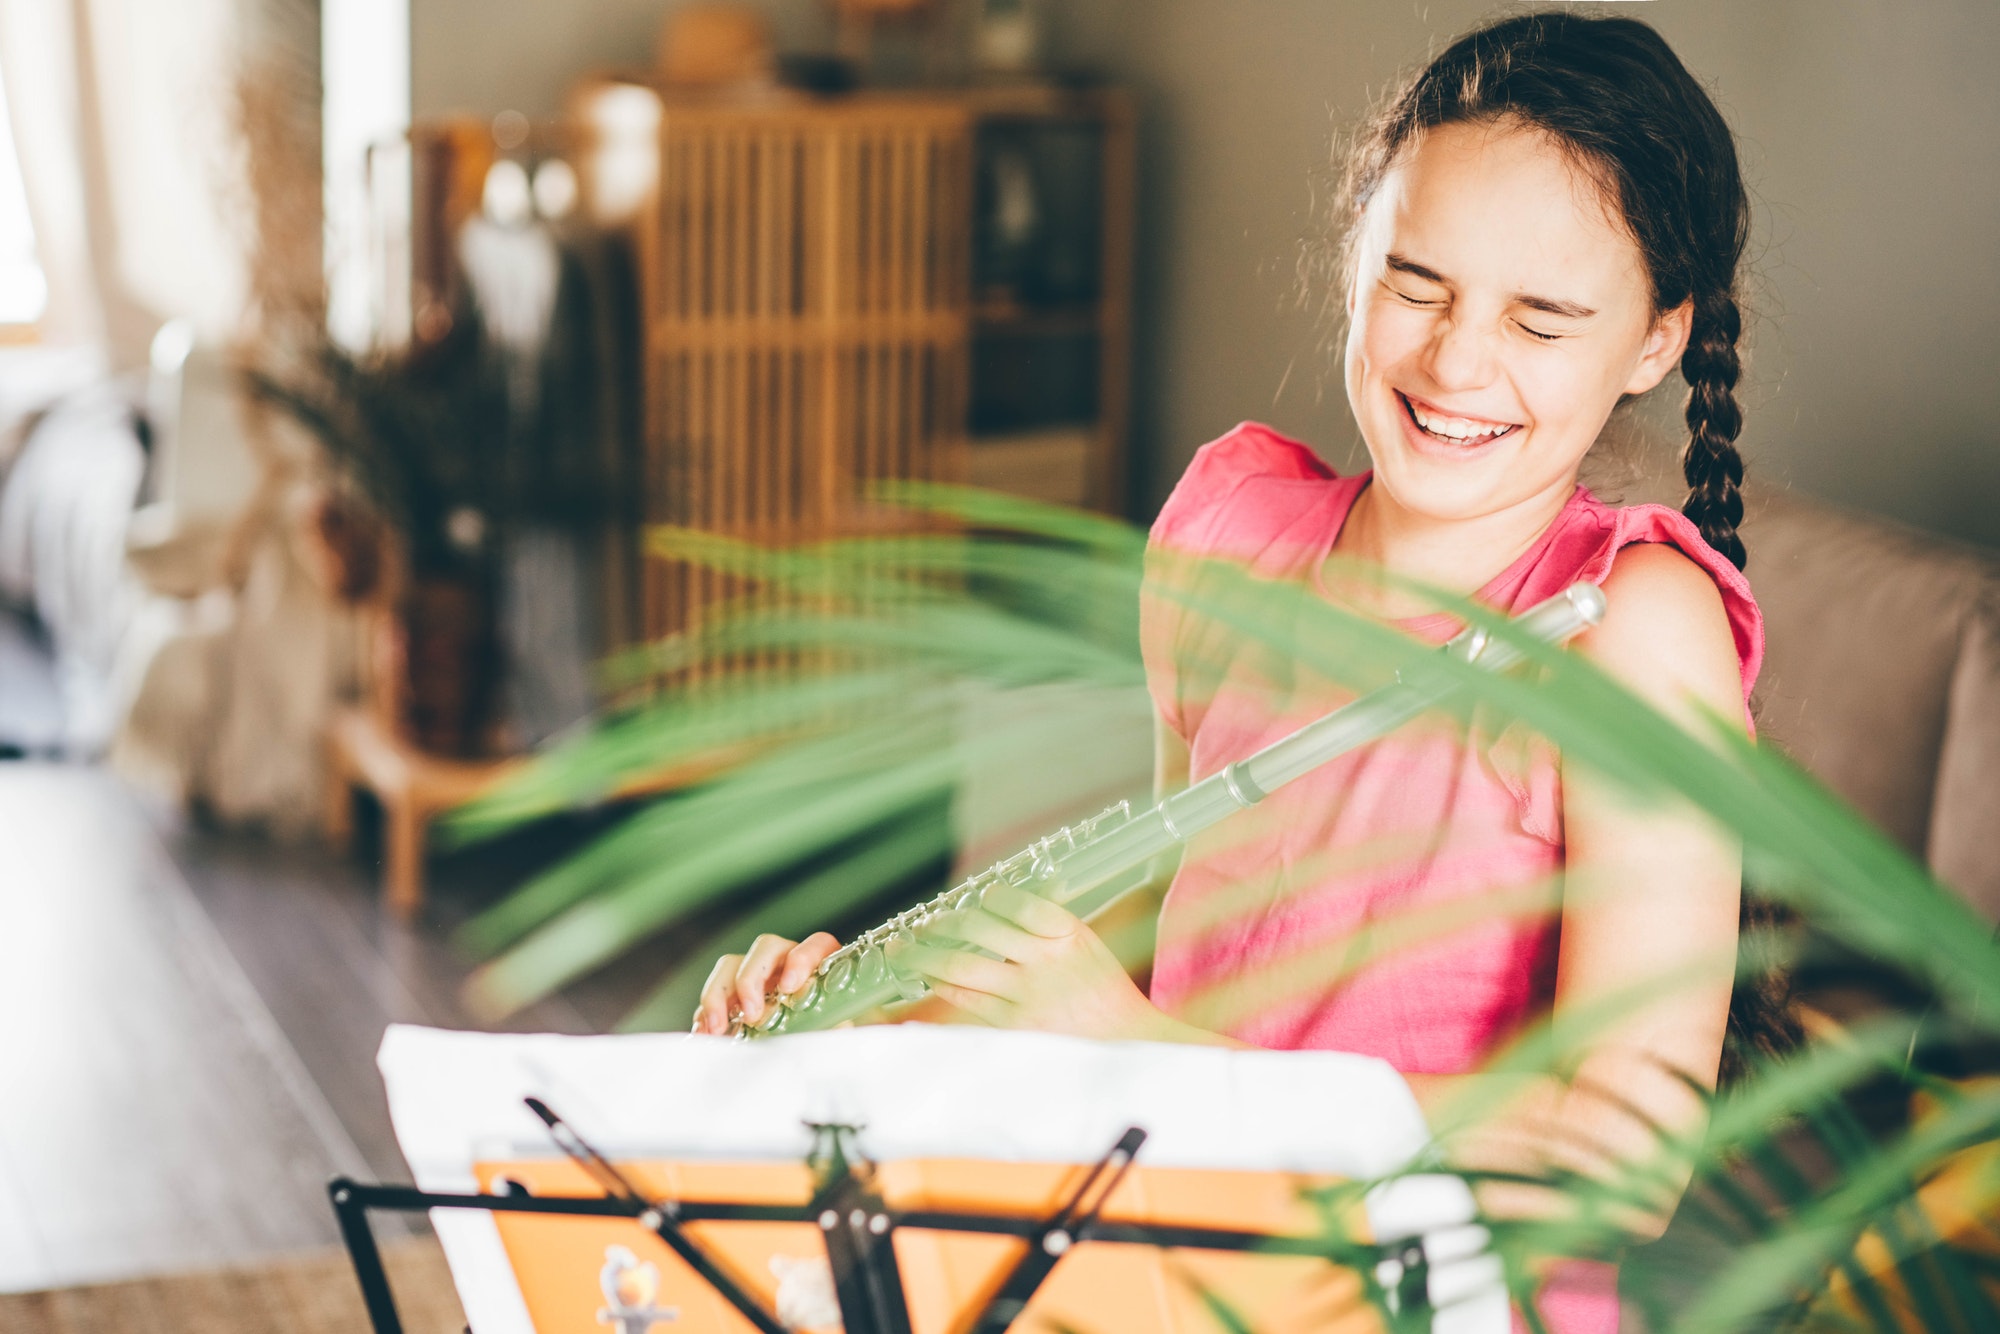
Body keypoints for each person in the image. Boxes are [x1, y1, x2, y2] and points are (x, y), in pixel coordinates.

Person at [698, 13, 1782, 1330]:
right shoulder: (1232, 530)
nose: (1454, 361)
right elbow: (1164, 904)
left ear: (1658, 341)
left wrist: (1144, 1051)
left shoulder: (1632, 625)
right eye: (1416, 282)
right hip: (1153, 1256)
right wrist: (887, 1014)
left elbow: (1624, 1164)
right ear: (1355, 257)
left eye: (1541, 319)